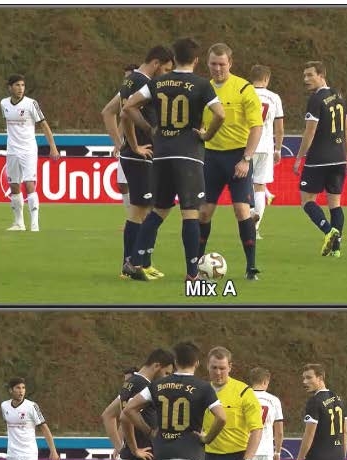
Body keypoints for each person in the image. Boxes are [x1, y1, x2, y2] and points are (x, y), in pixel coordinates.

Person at [122, 37, 225, 282]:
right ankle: (192, 274)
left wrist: (150, 128)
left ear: (174, 58)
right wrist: (206, 135)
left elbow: (129, 106)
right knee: (190, 213)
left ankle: (134, 261)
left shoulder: (157, 82)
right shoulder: (201, 84)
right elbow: (220, 114)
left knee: (158, 210)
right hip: (188, 155)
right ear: (197, 60)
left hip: (162, 154)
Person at [102, 46, 175, 279]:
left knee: (147, 210)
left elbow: (108, 111)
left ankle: (141, 262)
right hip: (140, 156)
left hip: (138, 155)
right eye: (165, 69)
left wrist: (120, 143)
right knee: (140, 211)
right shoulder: (142, 83)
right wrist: (132, 146)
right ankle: (130, 264)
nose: (165, 75)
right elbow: (124, 114)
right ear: (156, 63)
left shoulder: (131, 80)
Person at [196, 44, 263, 280]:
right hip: (211, 159)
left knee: (241, 210)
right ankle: (195, 265)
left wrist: (246, 159)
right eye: (213, 64)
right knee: (204, 214)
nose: (217, 69)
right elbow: (198, 124)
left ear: (230, 63)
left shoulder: (244, 88)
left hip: (238, 158)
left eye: (222, 64)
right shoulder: (203, 89)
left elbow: (257, 127)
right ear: (207, 63)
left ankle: (251, 266)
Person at [294, 61, 347, 258]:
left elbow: (309, 132)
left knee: (306, 200)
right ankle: (336, 250)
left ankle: (329, 231)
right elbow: (346, 129)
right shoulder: (338, 96)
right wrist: (346, 155)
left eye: (310, 75)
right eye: (304, 76)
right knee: (334, 203)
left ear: (321, 75)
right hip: (338, 158)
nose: (306, 80)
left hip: (319, 158)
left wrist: (299, 157)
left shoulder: (316, 99)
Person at [2, 74, 60, 232]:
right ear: (10, 87)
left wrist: (52, 146)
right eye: (17, 85)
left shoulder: (31, 104)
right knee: (14, 186)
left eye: (22, 85)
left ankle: (35, 224)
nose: (21, 88)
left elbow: (44, 125)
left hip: (28, 149)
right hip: (12, 150)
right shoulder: (4, 104)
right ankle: (19, 223)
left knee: (29, 184)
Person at [250, 65, 285, 241]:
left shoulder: (244, 93)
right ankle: (255, 229)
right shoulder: (274, 97)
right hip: (266, 146)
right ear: (267, 79)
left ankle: (247, 218)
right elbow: (279, 127)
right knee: (260, 187)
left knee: (242, 185)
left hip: (246, 145)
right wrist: (278, 148)